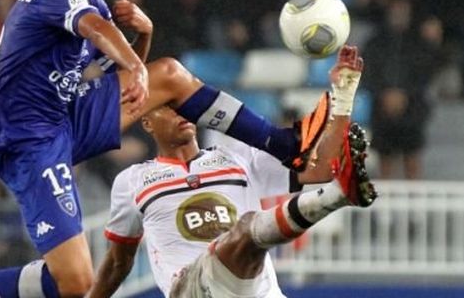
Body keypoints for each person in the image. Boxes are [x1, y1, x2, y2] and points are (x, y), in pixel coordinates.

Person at [0, 0, 359, 298]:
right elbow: (97, 30)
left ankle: (284, 143)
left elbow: (121, 73)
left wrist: (144, 42)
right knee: (76, 282)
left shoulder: (93, 2)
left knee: (169, 74)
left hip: (66, 116)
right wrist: (135, 62)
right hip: (29, 139)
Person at [88, 62, 375, 298]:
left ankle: (338, 192)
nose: (183, 111)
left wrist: (344, 94)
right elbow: (117, 263)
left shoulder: (240, 159)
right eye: (169, 105)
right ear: (147, 122)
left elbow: (323, 167)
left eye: (184, 104)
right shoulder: (132, 181)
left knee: (247, 234)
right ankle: (337, 196)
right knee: (247, 229)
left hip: (259, 292)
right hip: (193, 289)